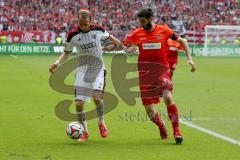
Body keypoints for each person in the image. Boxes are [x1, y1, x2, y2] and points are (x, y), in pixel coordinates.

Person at [123, 8, 196, 144]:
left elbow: (183, 41)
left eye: (143, 21)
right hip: (145, 74)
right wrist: (128, 50)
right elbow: (125, 45)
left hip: (162, 71)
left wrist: (190, 59)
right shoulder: (137, 33)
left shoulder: (164, 30)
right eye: (140, 22)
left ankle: (177, 131)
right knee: (150, 112)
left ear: (150, 18)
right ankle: (161, 125)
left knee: (168, 97)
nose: (141, 24)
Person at [49, 9, 122, 142]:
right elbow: (66, 52)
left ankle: (101, 123)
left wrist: (113, 46)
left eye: (85, 24)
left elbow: (115, 42)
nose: (83, 27)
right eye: (80, 24)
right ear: (78, 21)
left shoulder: (98, 30)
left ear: (90, 21)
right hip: (82, 71)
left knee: (97, 98)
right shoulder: (73, 36)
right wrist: (57, 63)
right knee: (78, 104)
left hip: (98, 69)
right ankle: (84, 131)